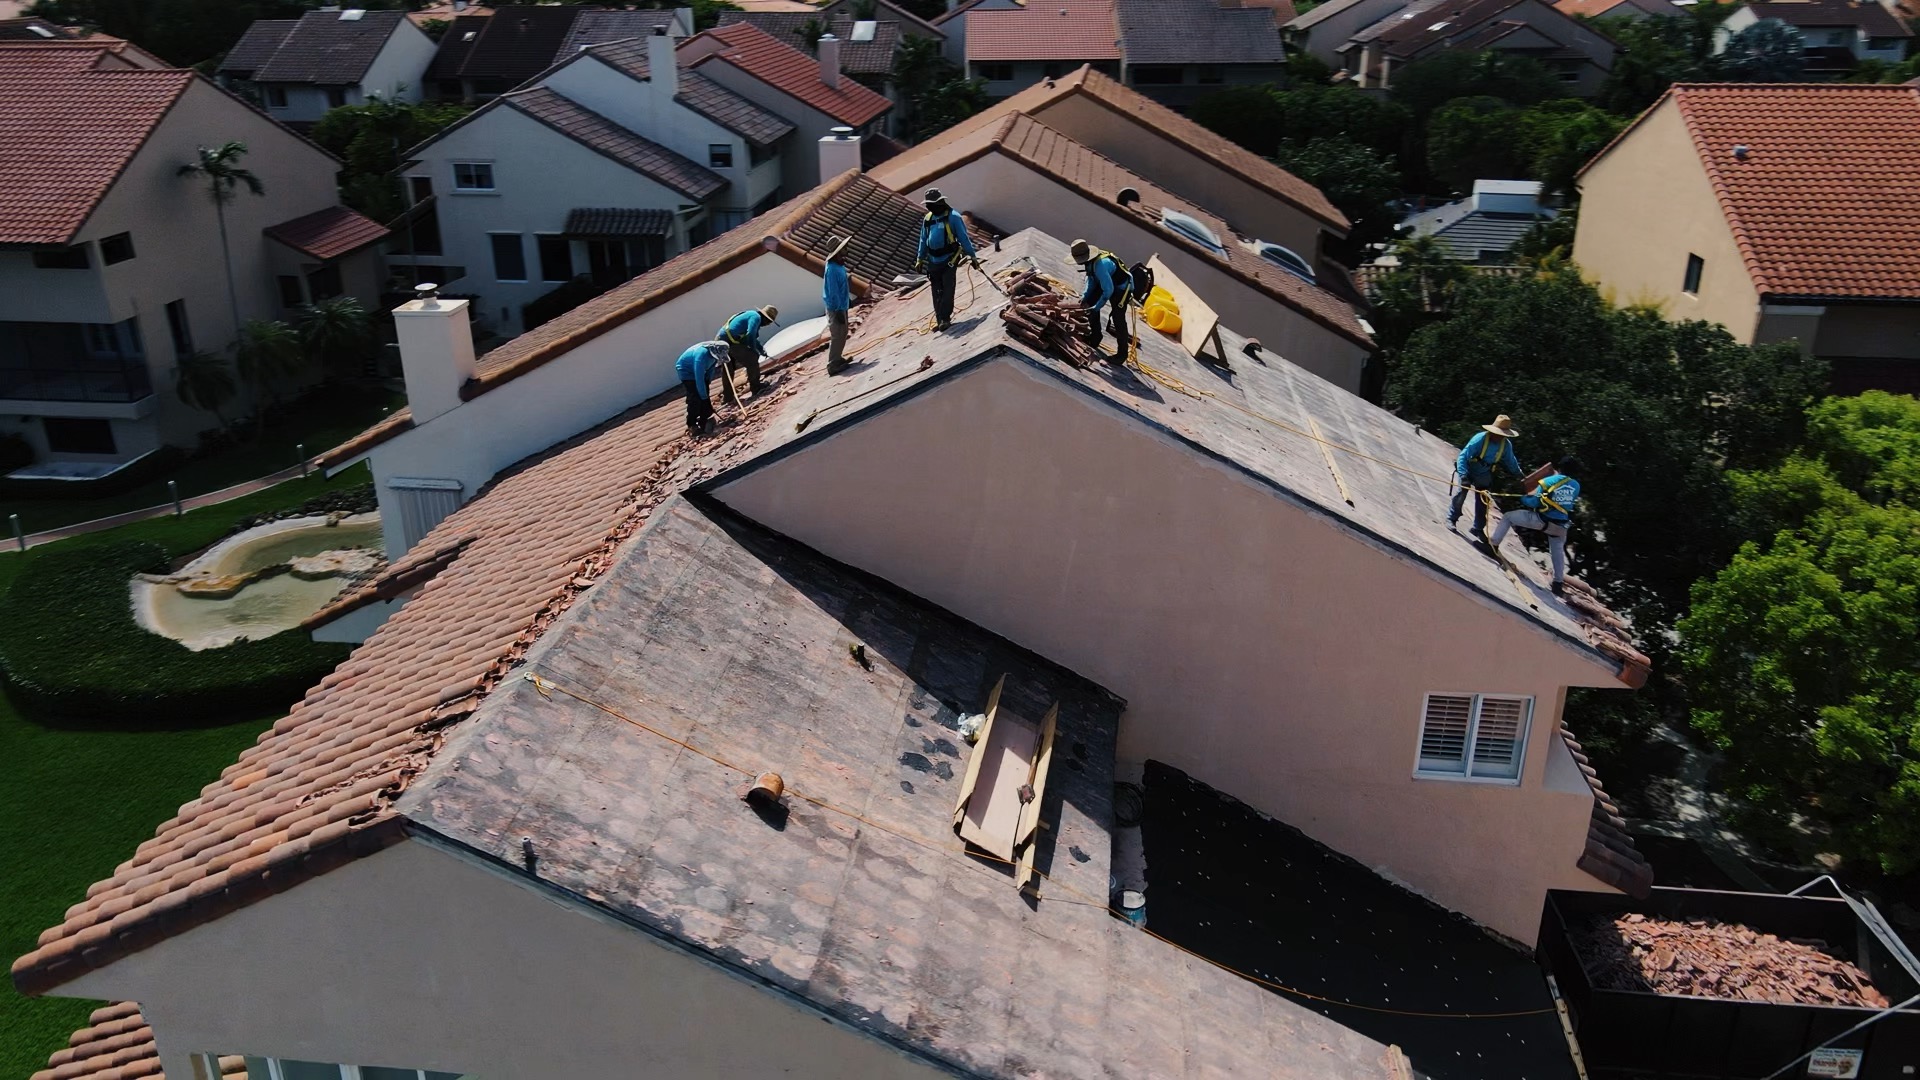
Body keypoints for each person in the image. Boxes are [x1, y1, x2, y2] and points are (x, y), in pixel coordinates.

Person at [1489, 457, 1584, 595]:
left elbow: (1534, 502)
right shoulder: (1576, 486)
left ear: (1560, 468)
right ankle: (1558, 583)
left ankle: (1493, 545)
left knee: (1508, 517)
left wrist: (1523, 497)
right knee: (1557, 552)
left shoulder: (1548, 481)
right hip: (1561, 527)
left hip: (1542, 520)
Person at [1449, 414, 1522, 541]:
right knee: (1462, 492)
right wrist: (1463, 475)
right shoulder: (1480, 439)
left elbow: (1511, 461)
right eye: (1499, 434)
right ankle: (1452, 519)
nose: (1500, 437)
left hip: (1483, 473)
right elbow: (1463, 456)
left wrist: (1519, 474)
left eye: (1503, 435)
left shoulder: (1506, 445)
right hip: (1469, 468)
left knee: (1484, 499)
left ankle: (1477, 528)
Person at [913, 188, 976, 331]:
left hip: (949, 260)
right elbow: (923, 239)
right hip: (933, 261)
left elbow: (963, 238)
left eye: (931, 204)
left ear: (940, 203)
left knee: (948, 289)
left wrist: (972, 257)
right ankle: (939, 319)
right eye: (928, 205)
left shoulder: (953, 217)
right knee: (936, 291)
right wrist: (920, 258)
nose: (929, 207)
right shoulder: (928, 219)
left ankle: (945, 318)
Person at [1070, 239, 1132, 360]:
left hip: (1121, 288)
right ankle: (1095, 337)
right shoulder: (1090, 263)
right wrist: (1084, 297)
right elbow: (1092, 282)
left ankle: (1121, 355)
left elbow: (1108, 290)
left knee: (1118, 318)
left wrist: (1097, 307)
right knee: (1089, 303)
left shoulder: (1100, 266)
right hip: (1107, 282)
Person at [716, 305, 777, 404]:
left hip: (720, 342)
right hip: (728, 343)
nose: (767, 325)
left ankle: (728, 397)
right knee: (752, 359)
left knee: (728, 370)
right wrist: (754, 350)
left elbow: (748, 337)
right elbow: (750, 334)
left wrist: (761, 349)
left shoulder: (749, 314)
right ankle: (756, 387)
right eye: (769, 321)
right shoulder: (756, 317)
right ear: (765, 318)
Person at [676, 340, 731, 435]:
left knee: (704, 393)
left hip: (699, 372)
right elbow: (699, 379)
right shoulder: (700, 357)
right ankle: (691, 424)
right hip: (686, 371)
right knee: (695, 397)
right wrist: (705, 398)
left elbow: (710, 369)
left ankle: (704, 419)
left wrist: (707, 383)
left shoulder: (714, 356)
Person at [823, 235, 852, 375]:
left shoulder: (837, 265)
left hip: (842, 305)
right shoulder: (832, 269)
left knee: (843, 332)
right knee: (838, 334)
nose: (846, 251)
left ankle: (838, 358)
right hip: (836, 308)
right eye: (843, 249)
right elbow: (834, 292)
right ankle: (833, 364)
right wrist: (839, 310)